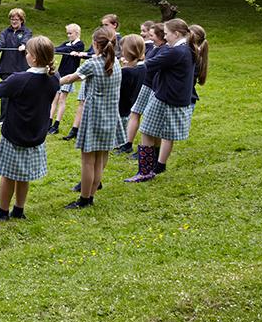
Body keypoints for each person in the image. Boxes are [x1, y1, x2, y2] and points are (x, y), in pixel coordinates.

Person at [0, 36, 60, 220]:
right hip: (35, 134)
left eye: (27, 52)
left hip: (14, 135)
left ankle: (3, 213)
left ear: (33, 57)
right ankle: (19, 210)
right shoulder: (54, 77)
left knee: (8, 175)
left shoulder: (20, 79)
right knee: (24, 175)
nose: (25, 55)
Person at [125, 19, 200, 182]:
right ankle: (155, 166)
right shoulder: (186, 49)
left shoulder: (177, 51)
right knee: (158, 131)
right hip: (171, 96)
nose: (165, 37)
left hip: (166, 97)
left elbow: (149, 65)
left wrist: (131, 63)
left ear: (176, 34)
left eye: (166, 34)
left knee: (146, 129)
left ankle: (145, 171)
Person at [60, 27, 125, 208]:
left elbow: (70, 79)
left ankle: (84, 199)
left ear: (95, 44)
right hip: (111, 118)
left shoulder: (92, 64)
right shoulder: (116, 63)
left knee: (88, 162)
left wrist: (53, 80)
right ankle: (91, 196)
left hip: (94, 118)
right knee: (101, 159)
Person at [123, 22, 166, 160]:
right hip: (148, 84)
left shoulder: (162, 50)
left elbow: (150, 65)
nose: (150, 38)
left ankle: (131, 145)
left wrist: (133, 64)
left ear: (161, 37)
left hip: (149, 85)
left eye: (152, 35)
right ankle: (137, 147)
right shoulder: (156, 47)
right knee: (138, 115)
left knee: (140, 116)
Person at [0, 8, 32, 125]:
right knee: (5, 93)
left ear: (21, 20)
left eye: (16, 19)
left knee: (21, 94)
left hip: (21, 68)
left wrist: (24, 45)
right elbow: (1, 41)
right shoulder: (6, 31)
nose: (13, 22)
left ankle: (19, 117)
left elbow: (26, 40)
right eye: (12, 19)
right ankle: (3, 119)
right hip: (7, 67)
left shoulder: (27, 31)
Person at [48, 23, 84, 135]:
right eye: (67, 33)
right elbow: (59, 48)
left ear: (77, 33)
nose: (68, 35)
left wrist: (66, 50)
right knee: (55, 98)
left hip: (70, 74)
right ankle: (48, 122)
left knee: (62, 98)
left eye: (70, 33)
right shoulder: (67, 43)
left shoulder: (79, 44)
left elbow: (67, 49)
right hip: (60, 73)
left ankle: (56, 125)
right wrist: (49, 49)